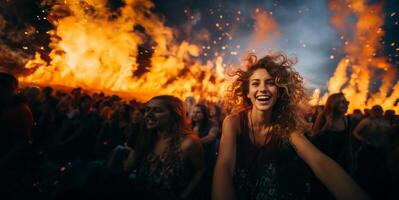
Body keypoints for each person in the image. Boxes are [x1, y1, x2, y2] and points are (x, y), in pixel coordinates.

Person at [212, 53, 368, 200]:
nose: (263, 89)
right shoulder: (233, 122)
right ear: (247, 92)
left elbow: (319, 161)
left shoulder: (285, 126)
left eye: (270, 83)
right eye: (255, 84)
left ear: (279, 92)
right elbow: (224, 167)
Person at [124, 95, 205, 200]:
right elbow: (126, 169)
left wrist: (183, 196)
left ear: (174, 116)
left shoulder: (188, 143)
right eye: (147, 110)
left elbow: (200, 170)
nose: (149, 114)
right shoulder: (148, 138)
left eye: (157, 110)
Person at [0, 72, 34, 198]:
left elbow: (23, 143)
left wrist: (3, 163)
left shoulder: (20, 110)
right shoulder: (7, 106)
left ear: (5, 89)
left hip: (7, 166)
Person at [312, 93, 353, 170]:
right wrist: (326, 127)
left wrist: (350, 159)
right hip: (323, 162)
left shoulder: (347, 120)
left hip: (340, 161)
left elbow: (348, 142)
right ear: (334, 104)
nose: (346, 105)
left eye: (346, 102)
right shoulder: (323, 116)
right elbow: (313, 137)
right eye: (342, 102)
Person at [191, 104, 219, 199]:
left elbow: (211, 137)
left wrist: (192, 143)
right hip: (193, 162)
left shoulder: (212, 124)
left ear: (204, 114)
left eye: (198, 112)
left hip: (208, 160)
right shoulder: (189, 126)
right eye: (193, 112)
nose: (195, 114)